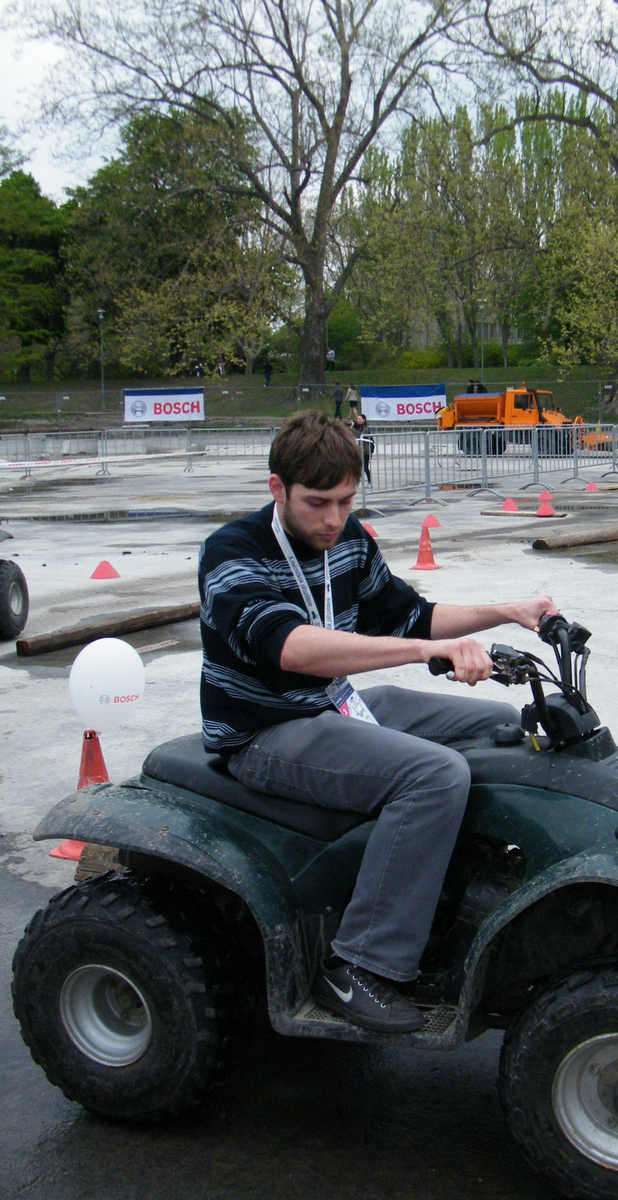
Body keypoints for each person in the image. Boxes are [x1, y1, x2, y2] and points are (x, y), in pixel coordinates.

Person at [200, 412, 552, 1033]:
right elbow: (292, 649)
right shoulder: (232, 552)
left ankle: (454, 886)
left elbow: (410, 615)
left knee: (499, 723)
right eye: (317, 503)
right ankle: (359, 965)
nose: (333, 519)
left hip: (337, 704)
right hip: (265, 728)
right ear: (277, 489)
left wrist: (505, 611)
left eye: (345, 500)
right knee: (434, 775)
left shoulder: (350, 541)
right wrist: (426, 655)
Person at [349, 410, 373, 484]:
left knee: (365, 467)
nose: (358, 420)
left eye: (359, 419)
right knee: (355, 466)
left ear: (364, 420)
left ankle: (369, 481)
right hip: (359, 450)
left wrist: (352, 428)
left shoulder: (366, 428)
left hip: (366, 450)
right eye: (357, 419)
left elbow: (360, 435)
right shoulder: (357, 427)